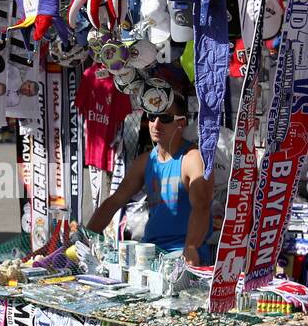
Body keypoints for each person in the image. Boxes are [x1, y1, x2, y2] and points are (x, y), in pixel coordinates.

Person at [86, 100, 213, 265]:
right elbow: (114, 201)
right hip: (150, 252)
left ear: (181, 122)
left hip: (183, 254)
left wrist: (191, 248)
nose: (156, 124)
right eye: (152, 116)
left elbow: (201, 206)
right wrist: (85, 239)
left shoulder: (192, 158)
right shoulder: (145, 161)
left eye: (165, 118)